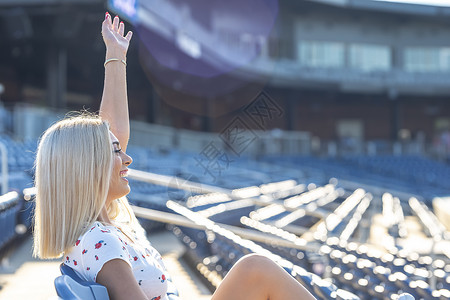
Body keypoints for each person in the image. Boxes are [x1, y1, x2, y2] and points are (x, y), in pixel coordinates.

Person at [33, 13, 316, 300]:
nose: (127, 158)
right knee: (256, 269)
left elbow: (113, 131)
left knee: (255, 268)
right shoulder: (101, 240)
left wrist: (116, 57)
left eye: (120, 149)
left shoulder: (102, 229)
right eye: (116, 152)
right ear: (88, 168)